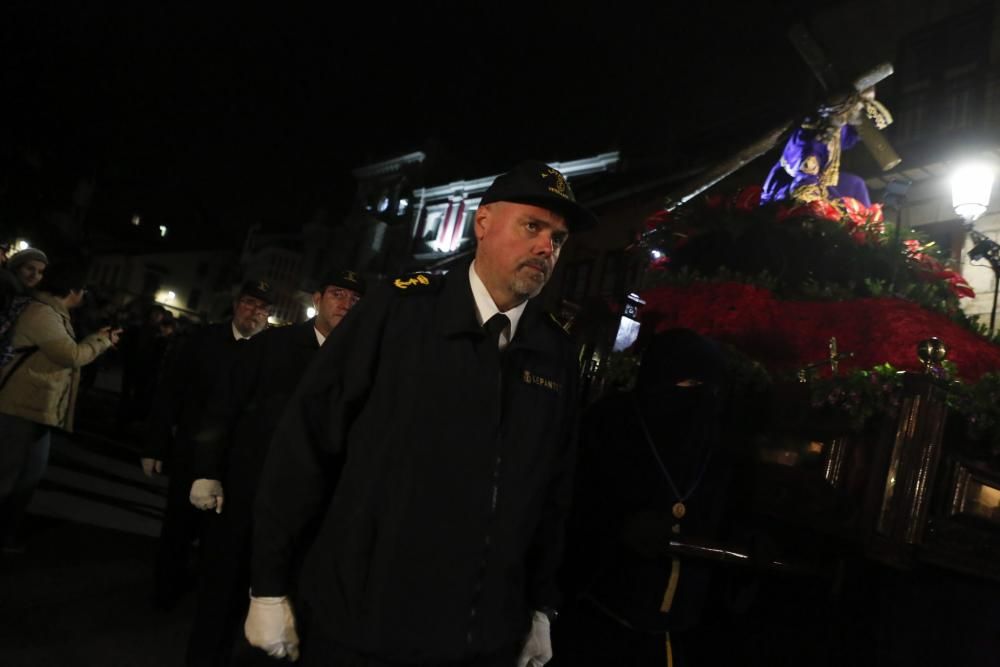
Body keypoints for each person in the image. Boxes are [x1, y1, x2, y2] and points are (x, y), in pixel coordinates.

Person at [244, 160, 596, 666]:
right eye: (532, 226)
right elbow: (306, 443)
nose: (547, 248)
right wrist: (269, 585)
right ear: (483, 223)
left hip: (481, 638)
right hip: (365, 626)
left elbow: (552, 491)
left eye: (558, 239)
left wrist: (542, 606)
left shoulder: (555, 353)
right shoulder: (399, 311)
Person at [185, 268, 365, 667]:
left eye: (355, 300)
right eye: (338, 294)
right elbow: (224, 406)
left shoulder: (359, 360)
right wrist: (207, 470)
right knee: (222, 593)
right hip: (246, 489)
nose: (346, 305)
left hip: (311, 507)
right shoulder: (272, 344)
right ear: (317, 299)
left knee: (286, 607)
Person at [551, 328, 734, 667]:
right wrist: (617, 527)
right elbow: (570, 501)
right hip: (598, 615)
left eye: (708, 389)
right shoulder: (612, 422)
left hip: (675, 631)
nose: (699, 397)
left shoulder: (717, 441)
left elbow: (728, 515)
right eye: (688, 385)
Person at [141, 279, 273, 609]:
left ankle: (205, 592)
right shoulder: (203, 340)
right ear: (235, 304)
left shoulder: (271, 351)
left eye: (261, 307)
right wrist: (154, 445)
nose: (253, 312)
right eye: (248, 303)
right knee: (178, 526)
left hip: (237, 459)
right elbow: (169, 392)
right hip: (191, 449)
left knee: (220, 533)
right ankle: (164, 589)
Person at [0, 261, 120, 552]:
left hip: (36, 406)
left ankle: (6, 536)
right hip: (17, 405)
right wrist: (103, 340)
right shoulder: (42, 312)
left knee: (28, 476)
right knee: (7, 477)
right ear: (73, 290)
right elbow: (70, 355)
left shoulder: (54, 312)